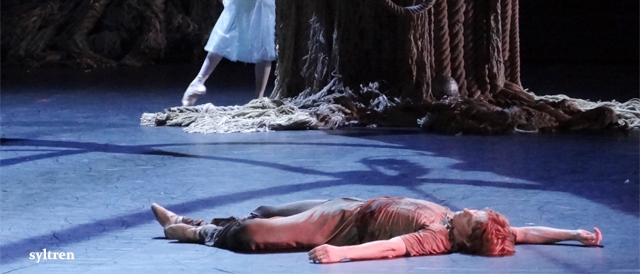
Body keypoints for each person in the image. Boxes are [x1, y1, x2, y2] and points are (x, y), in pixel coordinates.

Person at [150, 196, 602, 263]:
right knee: (266, 210)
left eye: (474, 217)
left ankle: (187, 229)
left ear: (468, 237)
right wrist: (574, 234)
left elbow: (390, 248)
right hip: (352, 201)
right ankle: (214, 223)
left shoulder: (438, 238)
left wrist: (341, 253)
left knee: (252, 235)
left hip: (339, 225)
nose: (468, 209)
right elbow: (528, 232)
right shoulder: (476, 226)